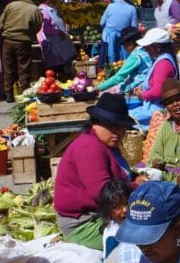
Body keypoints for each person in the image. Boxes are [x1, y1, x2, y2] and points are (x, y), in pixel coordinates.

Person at [53, 93, 137, 251]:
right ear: (95, 124)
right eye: (111, 126)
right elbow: (103, 192)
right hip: (84, 225)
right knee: (145, 235)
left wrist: (137, 179)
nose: (117, 132)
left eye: (120, 127)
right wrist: (137, 187)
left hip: (103, 214)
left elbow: (121, 175)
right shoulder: (89, 147)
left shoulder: (106, 145)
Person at [0, 0, 43, 102]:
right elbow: (37, 26)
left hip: (8, 41)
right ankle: (24, 93)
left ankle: (8, 94)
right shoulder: (34, 9)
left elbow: (1, 23)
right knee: (23, 68)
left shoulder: (11, 5)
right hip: (24, 42)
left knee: (8, 68)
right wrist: (29, 34)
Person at [131, 28, 179, 129]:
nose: (146, 50)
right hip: (152, 107)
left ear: (156, 47)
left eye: (147, 48)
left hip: (156, 110)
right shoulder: (162, 59)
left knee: (124, 118)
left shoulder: (163, 64)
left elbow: (158, 91)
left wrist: (142, 95)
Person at [96, 27, 152, 96]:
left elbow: (119, 77)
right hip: (148, 83)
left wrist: (98, 88)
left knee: (104, 95)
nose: (124, 48)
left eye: (124, 45)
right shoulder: (146, 50)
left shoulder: (135, 55)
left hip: (139, 87)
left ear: (131, 43)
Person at [38, 0, 75, 76]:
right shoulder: (43, 11)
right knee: (53, 68)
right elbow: (46, 28)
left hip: (57, 42)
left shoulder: (50, 9)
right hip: (50, 43)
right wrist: (59, 32)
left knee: (59, 65)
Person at [99, 0, 138, 66]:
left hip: (109, 42)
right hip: (125, 43)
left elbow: (102, 23)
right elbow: (134, 28)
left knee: (110, 66)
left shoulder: (110, 7)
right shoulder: (132, 9)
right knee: (123, 65)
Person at [98, 177, 131, 259]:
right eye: (116, 207)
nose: (125, 210)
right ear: (107, 210)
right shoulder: (113, 237)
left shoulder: (130, 222)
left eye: (127, 203)